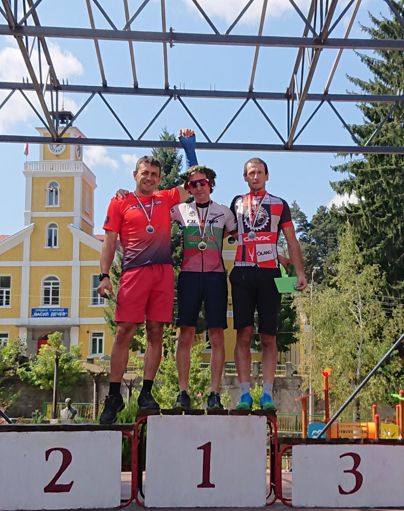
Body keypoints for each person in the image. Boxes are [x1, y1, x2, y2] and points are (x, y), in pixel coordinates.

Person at [97, 155, 189, 424]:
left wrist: (189, 147)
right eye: (145, 172)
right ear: (135, 174)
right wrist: (104, 275)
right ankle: (114, 395)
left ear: (159, 179)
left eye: (154, 174)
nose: (149, 177)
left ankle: (146, 392)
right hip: (134, 272)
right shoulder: (120, 201)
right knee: (124, 331)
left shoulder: (165, 198)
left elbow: (193, 180)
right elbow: (109, 241)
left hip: (162, 272)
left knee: (156, 331)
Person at [230, 157, 307, 411]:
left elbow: (291, 239)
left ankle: (267, 394)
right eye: (251, 172)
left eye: (259, 172)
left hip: (269, 274)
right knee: (243, 334)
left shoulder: (279, 204)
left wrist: (299, 271)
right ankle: (244, 394)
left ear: (267, 175)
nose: (255, 176)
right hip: (242, 271)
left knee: (268, 336)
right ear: (245, 177)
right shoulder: (237, 202)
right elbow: (227, 231)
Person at [171, 130, 237, 410]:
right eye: (193, 184)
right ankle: (183, 392)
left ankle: (214, 393)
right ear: (188, 187)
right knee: (185, 334)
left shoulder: (224, 212)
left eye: (203, 183)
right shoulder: (180, 210)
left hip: (214, 277)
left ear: (211, 185)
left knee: (217, 334)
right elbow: (154, 204)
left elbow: (241, 236)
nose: (198, 187)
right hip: (188, 277)